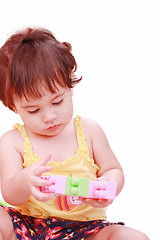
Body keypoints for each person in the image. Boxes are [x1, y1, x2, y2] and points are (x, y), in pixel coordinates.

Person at [0, 27, 149, 240]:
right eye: (34, 110)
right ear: (13, 106)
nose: (49, 116)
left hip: (85, 230)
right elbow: (10, 194)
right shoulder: (12, 142)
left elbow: (113, 169)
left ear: (69, 86)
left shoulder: (89, 131)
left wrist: (107, 187)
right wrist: (24, 181)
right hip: (27, 225)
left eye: (57, 101)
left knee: (132, 237)